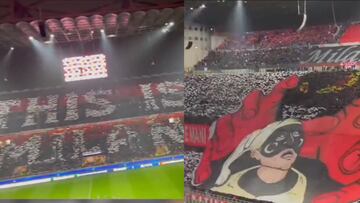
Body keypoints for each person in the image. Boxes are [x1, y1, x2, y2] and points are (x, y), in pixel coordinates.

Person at [210, 119, 341, 203]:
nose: (289, 148)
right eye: (277, 142)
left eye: (295, 141)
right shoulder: (227, 183)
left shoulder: (314, 182)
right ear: (255, 153)